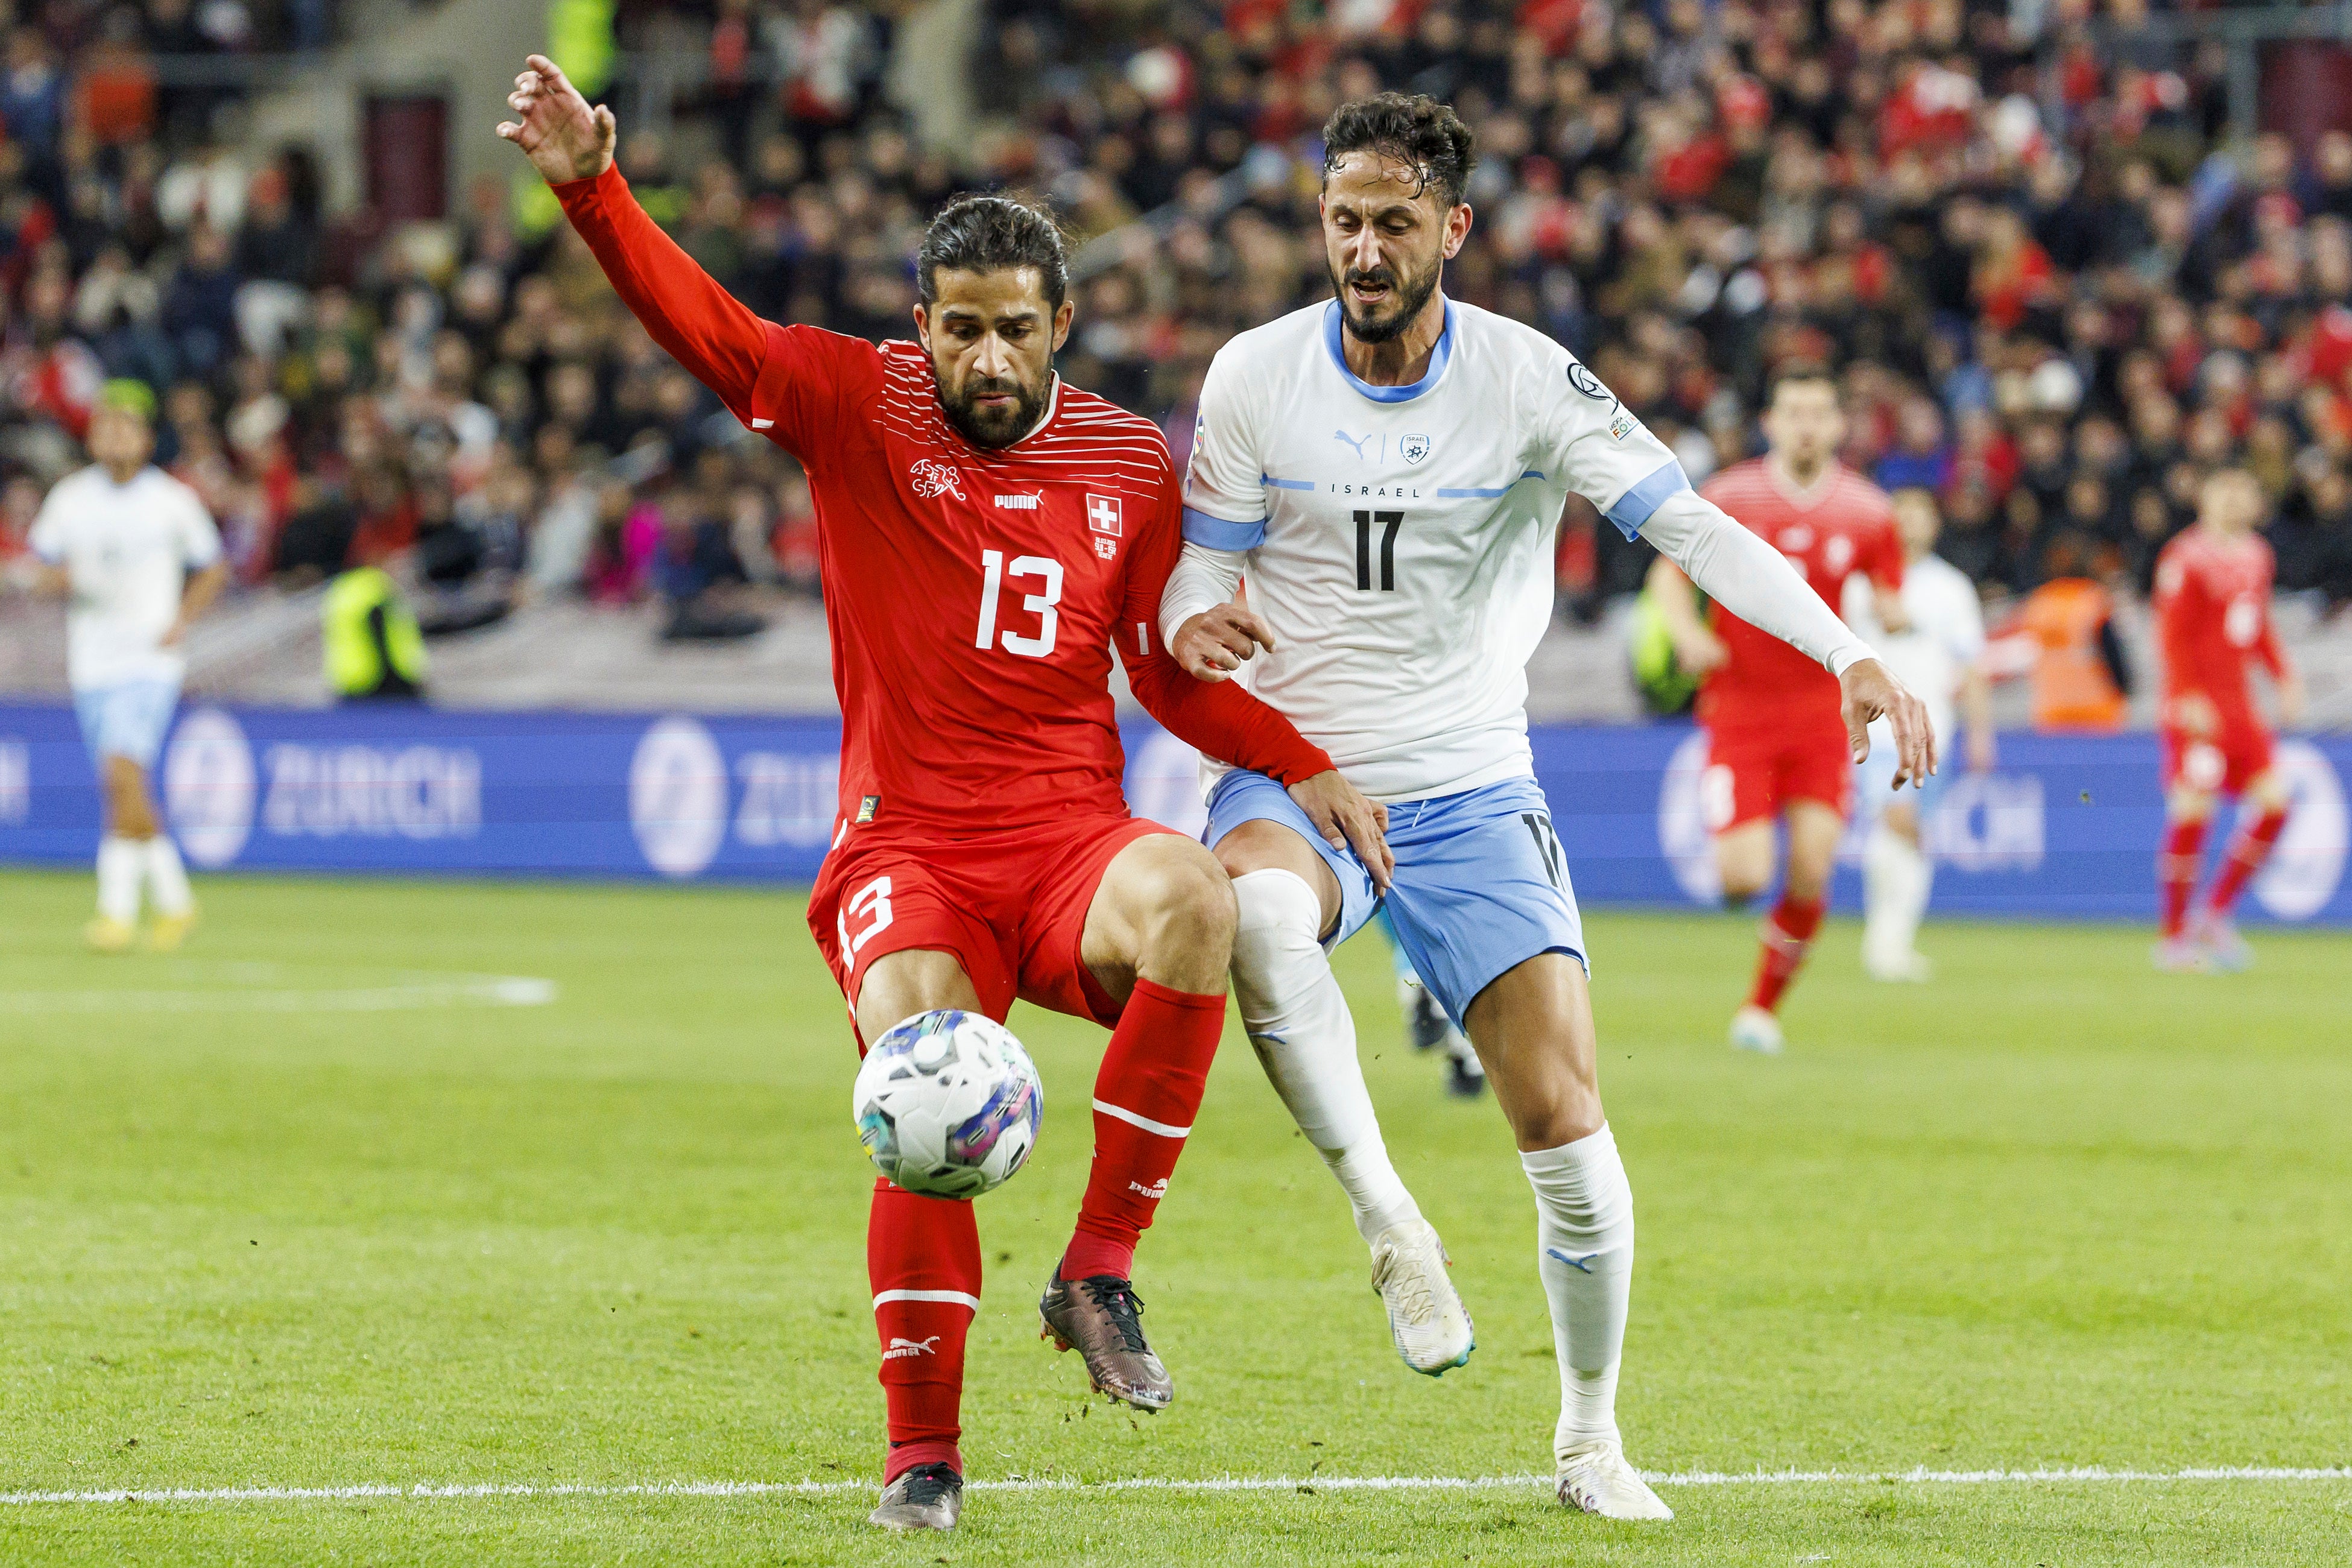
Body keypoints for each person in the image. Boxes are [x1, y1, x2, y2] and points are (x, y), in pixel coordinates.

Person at [497, 56, 1390, 1534]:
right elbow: (708, 333)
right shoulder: (858, 401)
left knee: (1195, 900)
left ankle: (1099, 1264)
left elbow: (1159, 679)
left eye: (1014, 332)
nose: (986, 359)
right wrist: (596, 190)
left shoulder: (1125, 458)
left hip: (1065, 841)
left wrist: (1297, 755)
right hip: (903, 843)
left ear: (1062, 327)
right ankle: (924, 1451)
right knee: (926, 1061)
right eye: (960, 330)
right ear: (922, 327)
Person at [1161, 94, 1932, 1522]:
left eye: (1396, 222)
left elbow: (1690, 523)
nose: (1366, 247)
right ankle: (1389, 1217)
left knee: (1569, 1125)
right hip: (1295, 771)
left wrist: (1851, 652)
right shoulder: (1254, 377)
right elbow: (1197, 573)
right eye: (1344, 220)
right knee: (1253, 915)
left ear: (1453, 228)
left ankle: (1589, 1441)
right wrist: (1202, 620)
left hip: (1467, 785)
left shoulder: (1528, 380)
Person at [1646, 367, 1910, 1056]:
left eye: (1819, 412)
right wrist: (1688, 632)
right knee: (1743, 878)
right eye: (1793, 411)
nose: (1806, 424)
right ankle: (1742, 873)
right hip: (1740, 710)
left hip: (1824, 713)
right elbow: (1668, 575)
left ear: (1838, 426)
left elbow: (1888, 588)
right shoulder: (1730, 495)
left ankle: (1761, 1009)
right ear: (1771, 421)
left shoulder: (1869, 510)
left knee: (1815, 869)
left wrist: (1892, 614)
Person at [19, 380, 225, 952]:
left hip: (149, 660)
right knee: (121, 786)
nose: (116, 436)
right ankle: (176, 902)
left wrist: (182, 619)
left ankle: (115, 913)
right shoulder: (70, 498)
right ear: (91, 436)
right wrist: (61, 581)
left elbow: (212, 567)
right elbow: (40, 570)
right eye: (106, 425)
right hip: (93, 662)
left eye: (127, 426)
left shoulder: (171, 500)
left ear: (147, 437)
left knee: (122, 774)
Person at [2151, 468, 2304, 971]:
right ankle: (2174, 939)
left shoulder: (2258, 554)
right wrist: (2186, 695)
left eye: (2245, 491)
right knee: (2193, 810)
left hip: (2240, 706)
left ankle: (2215, 915)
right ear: (2205, 498)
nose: (2235, 500)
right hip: (2197, 707)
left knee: (2276, 806)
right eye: (2225, 491)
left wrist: (2283, 676)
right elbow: (2170, 635)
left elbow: (2256, 625)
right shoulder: (2186, 558)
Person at [1845, 488, 1995, 982]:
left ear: (1934, 523)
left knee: (1914, 833)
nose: (1910, 524)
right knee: (1898, 820)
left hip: (1934, 729)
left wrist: (1980, 732)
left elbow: (1971, 664)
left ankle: (1894, 941)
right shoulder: (1858, 583)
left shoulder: (1951, 588)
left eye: (1920, 515)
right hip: (1876, 729)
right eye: (1901, 515)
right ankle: (1884, 946)